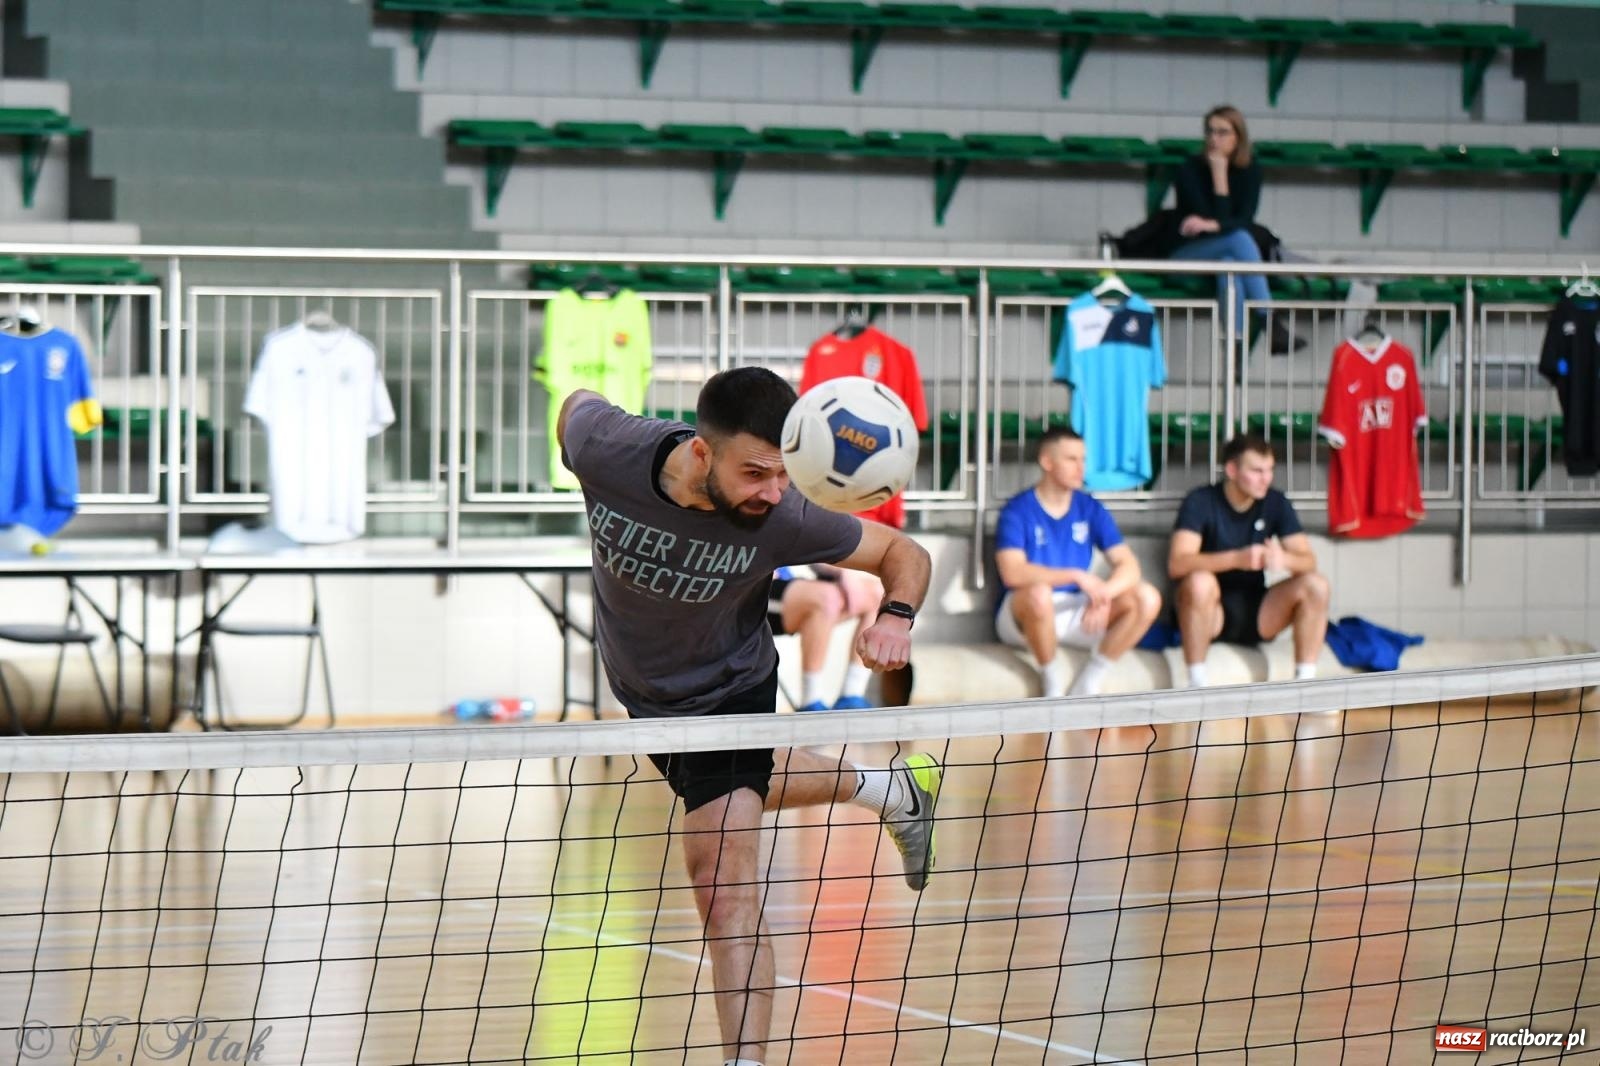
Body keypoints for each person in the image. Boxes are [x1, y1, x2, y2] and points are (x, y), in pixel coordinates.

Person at [556, 367, 939, 1066]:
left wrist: (895, 615)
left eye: (784, 473)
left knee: (719, 877)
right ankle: (890, 790)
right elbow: (575, 406)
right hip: (648, 697)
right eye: (756, 473)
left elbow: (901, 551)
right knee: (737, 787)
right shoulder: (607, 449)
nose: (773, 491)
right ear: (701, 452)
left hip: (730, 691)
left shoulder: (784, 516)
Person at [994, 427, 1162, 698]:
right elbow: (1012, 572)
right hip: (1025, 616)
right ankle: (1052, 684)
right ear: (1047, 462)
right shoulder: (1018, 509)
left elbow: (1129, 565)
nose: (1081, 467)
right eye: (1071, 459)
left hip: (1078, 612)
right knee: (1039, 593)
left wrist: (1104, 593)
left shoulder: (1089, 507)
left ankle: (1091, 679)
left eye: (1083, 459)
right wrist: (1075, 576)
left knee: (1147, 597)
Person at [1168, 434, 1331, 687]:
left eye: (1269, 470)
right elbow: (1177, 564)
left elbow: (1308, 561)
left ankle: (1305, 683)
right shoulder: (1200, 501)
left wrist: (1284, 559)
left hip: (1258, 611)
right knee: (1200, 583)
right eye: (1256, 471)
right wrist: (1237, 558)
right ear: (1232, 470)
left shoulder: (1275, 501)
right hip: (1210, 612)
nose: (1266, 478)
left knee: (1316, 585)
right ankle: (1196, 682)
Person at [1168, 104, 1303, 355]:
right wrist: (1218, 176)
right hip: (1186, 256)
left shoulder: (1250, 169)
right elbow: (1213, 225)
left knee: (1229, 267)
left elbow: (1244, 218)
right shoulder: (1190, 169)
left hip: (1222, 258)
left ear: (1238, 137)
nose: (1214, 139)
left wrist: (1216, 222)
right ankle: (1270, 321)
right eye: (1210, 131)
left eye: (1222, 132)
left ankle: (1235, 353)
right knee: (1238, 239)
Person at [767, 563, 884, 711]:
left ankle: (851, 694)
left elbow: (807, 552)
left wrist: (842, 573)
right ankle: (810, 700)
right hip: (755, 592)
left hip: (787, 582)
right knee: (827, 598)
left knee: (876, 594)